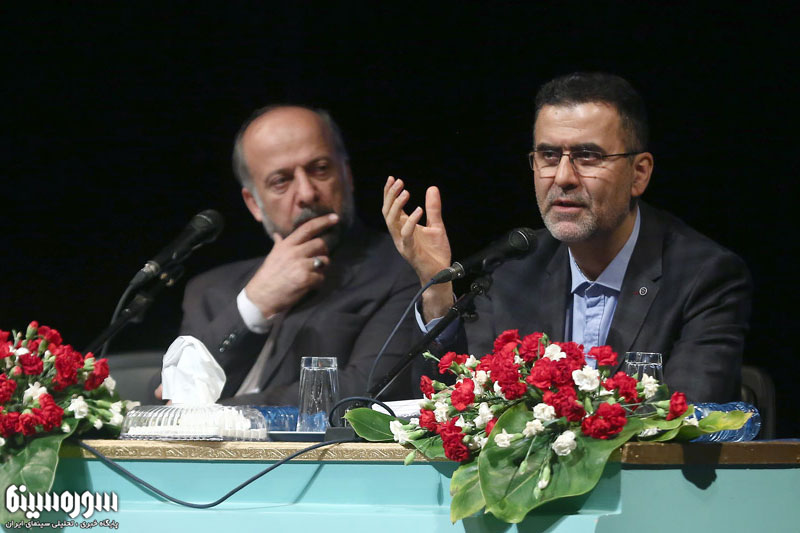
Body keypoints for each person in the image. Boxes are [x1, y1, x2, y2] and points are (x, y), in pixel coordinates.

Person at [382, 72, 752, 403]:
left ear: (639, 173)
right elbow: (455, 408)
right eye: (548, 155)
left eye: (587, 156)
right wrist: (437, 292)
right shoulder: (513, 270)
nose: (562, 177)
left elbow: (689, 417)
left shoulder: (703, 277)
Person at [157, 105, 419, 405]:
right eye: (281, 181)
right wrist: (254, 305)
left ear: (346, 175)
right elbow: (167, 389)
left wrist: (209, 413)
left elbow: (366, 393)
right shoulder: (208, 289)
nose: (306, 193)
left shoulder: (399, 268)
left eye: (320, 169)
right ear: (253, 203)